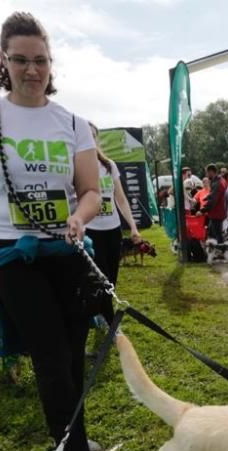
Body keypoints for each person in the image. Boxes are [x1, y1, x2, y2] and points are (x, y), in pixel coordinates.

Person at [0, 11, 102, 451]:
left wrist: (80, 217)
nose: (32, 70)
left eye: (40, 60)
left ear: (51, 63)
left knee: (74, 357)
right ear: (4, 60)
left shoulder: (73, 123)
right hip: (11, 257)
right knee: (50, 355)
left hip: (67, 253)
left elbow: (91, 191)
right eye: (21, 59)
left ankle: (69, 432)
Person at [85, 121, 141, 326]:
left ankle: (100, 313)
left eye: (93, 135)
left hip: (112, 229)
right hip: (91, 230)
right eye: (85, 135)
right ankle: (108, 319)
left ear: (97, 138)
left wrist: (133, 226)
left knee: (112, 277)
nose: (89, 139)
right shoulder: (76, 165)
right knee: (101, 276)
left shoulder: (109, 165)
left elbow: (121, 198)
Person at [201, 163, 227, 247]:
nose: (206, 175)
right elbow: (213, 195)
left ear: (211, 172)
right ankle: (218, 251)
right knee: (213, 232)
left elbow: (213, 199)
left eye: (207, 172)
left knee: (217, 234)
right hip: (218, 212)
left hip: (217, 212)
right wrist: (206, 198)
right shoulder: (220, 180)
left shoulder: (218, 183)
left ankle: (221, 252)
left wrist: (202, 210)